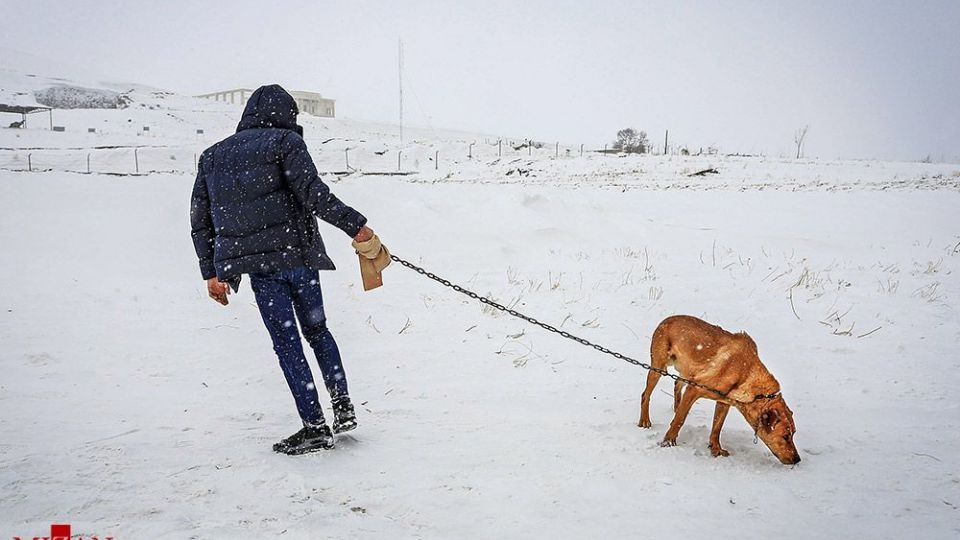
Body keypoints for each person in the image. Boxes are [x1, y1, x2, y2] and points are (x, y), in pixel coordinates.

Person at [190, 84, 388, 455]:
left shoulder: (213, 156)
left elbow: (203, 222)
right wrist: (355, 225)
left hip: (260, 269)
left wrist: (212, 273)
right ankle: (341, 404)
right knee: (317, 330)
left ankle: (314, 425)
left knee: (288, 342)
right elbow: (313, 194)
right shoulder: (285, 142)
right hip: (298, 260)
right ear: (288, 116)